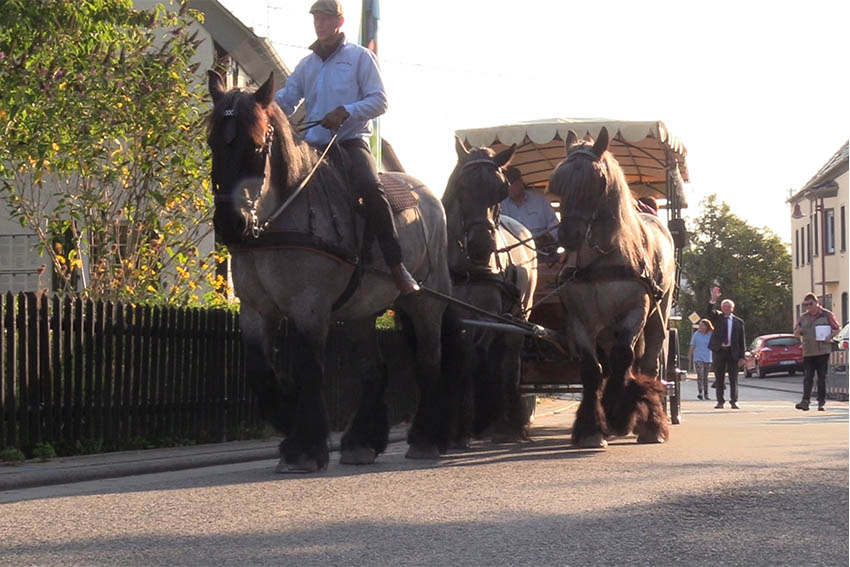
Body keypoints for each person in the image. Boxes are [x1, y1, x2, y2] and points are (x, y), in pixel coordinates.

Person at [274, 0, 419, 294]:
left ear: (339, 23)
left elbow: (380, 101)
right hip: (312, 146)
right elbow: (286, 100)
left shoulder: (360, 57)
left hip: (350, 142)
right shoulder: (307, 65)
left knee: (370, 187)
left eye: (326, 18)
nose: (319, 23)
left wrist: (346, 111)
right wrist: (260, 108)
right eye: (316, 18)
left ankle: (395, 265)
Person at [793, 293, 841, 411]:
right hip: (808, 351)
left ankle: (821, 402)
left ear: (817, 303)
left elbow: (837, 328)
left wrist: (830, 336)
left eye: (810, 304)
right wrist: (797, 331)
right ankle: (805, 401)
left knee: (821, 377)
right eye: (806, 305)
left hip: (823, 351)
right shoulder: (803, 317)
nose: (808, 307)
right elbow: (795, 332)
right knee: (808, 377)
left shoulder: (826, 314)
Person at [703, 286, 746, 409]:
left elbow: (741, 340)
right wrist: (713, 299)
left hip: (733, 352)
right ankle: (720, 401)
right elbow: (708, 312)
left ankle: (734, 401)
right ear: (721, 308)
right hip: (719, 351)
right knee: (719, 377)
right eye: (724, 307)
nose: (726, 309)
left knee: (733, 378)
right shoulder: (717, 317)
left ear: (732, 309)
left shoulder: (738, 322)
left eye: (728, 307)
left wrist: (742, 356)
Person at [499, 166, 559, 252]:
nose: (508, 188)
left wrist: (545, 238)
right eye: (505, 185)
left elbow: (555, 226)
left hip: (544, 250)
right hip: (514, 252)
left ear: (520, 182)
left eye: (511, 184)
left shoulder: (540, 200)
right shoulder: (501, 206)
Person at [689, 318, 714, 400]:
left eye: (702, 325)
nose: (700, 326)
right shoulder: (696, 334)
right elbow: (692, 345)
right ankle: (700, 392)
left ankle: (706, 394)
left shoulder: (710, 335)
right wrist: (690, 354)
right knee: (700, 375)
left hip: (708, 357)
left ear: (707, 326)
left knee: (705, 377)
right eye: (700, 325)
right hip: (698, 357)